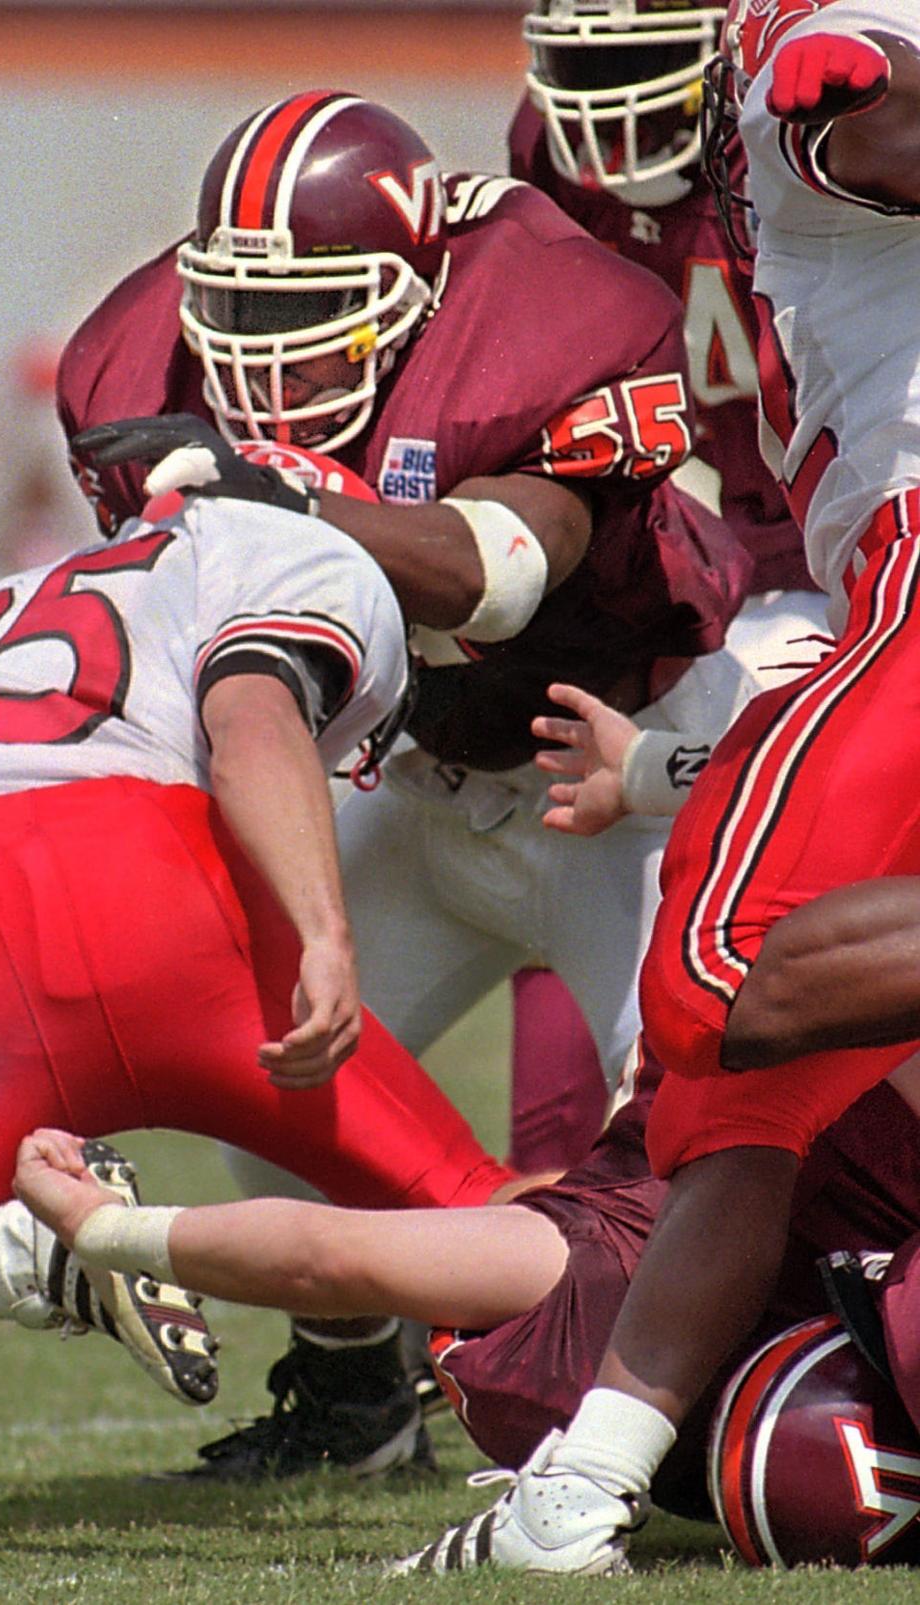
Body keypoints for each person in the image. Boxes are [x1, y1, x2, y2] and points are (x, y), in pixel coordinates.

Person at [57, 88, 753, 1477]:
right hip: (421, 777)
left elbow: (503, 578)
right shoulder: (137, 364)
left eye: (306, 310)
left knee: (693, 1134)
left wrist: (294, 496)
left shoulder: (553, 314)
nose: (261, 357)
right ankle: (358, 1391)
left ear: (417, 289)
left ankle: (703, 1416)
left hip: (619, 774)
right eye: (239, 316)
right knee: (274, 1060)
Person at [391, 0, 920, 1572]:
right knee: (744, 1055)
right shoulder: (728, 101)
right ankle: (584, 1487)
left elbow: (875, 102)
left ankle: (580, 1480)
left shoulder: (805, 52)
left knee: (719, 985)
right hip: (831, 612)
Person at [0, 440, 524, 1480]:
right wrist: (327, 936)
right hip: (174, 907)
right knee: (491, 1216)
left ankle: (10, 1255)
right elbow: (250, 722)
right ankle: (708, 1362)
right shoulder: (289, 548)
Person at [10, 1031, 920, 1566]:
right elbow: (327, 1259)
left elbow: (328, 1257)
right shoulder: (613, 1258)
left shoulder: (592, 1267)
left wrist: (105, 1231)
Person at [504, 0, 833, 1178]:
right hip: (689, 563)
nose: (612, 103)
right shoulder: (552, 157)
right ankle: (597, 1181)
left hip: (848, 549)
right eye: (590, 64)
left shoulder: (817, 127)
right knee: (585, 815)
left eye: (646, 59)